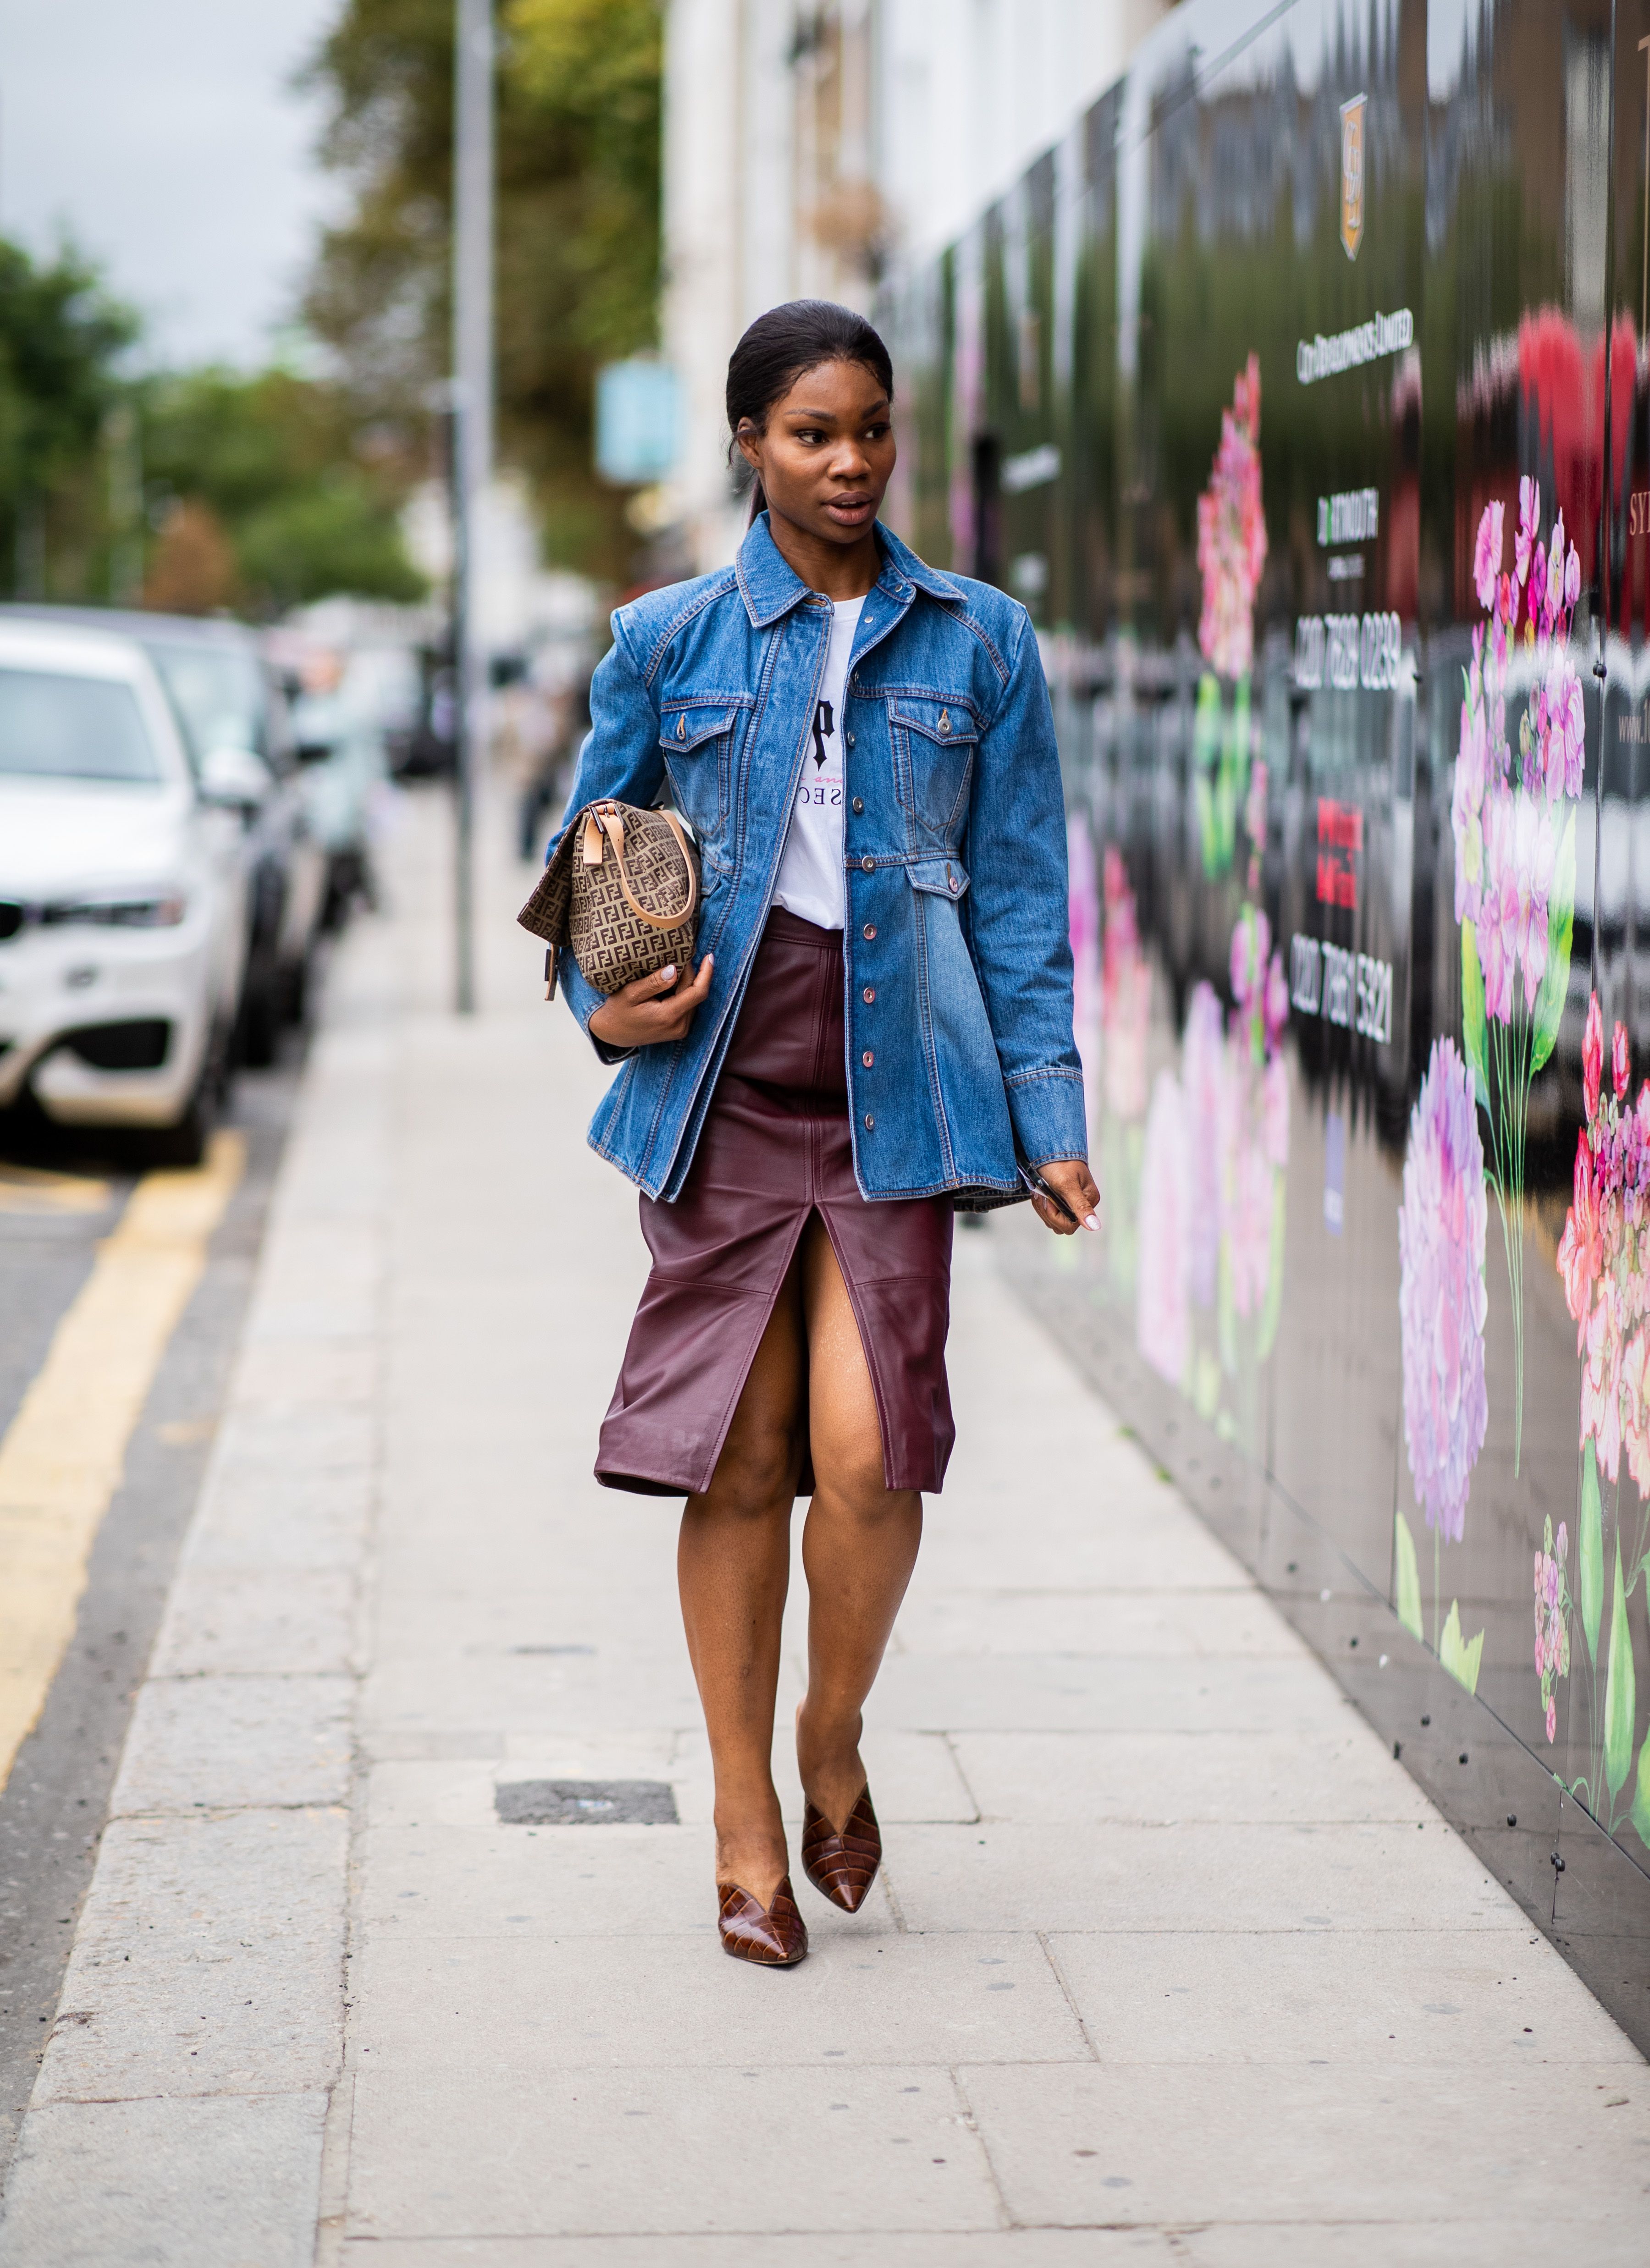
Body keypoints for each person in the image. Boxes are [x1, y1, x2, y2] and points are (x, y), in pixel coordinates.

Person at [547, 299, 1099, 1967]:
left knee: (870, 1457)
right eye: (812, 434)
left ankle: (831, 1735)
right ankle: (739, 1827)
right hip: (722, 1088)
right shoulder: (666, 641)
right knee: (742, 1453)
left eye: (871, 428)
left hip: (899, 1095)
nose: (849, 460)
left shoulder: (983, 642)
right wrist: (602, 1003)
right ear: (748, 446)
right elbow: (590, 862)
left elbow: (1017, 898)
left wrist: (1050, 1108)